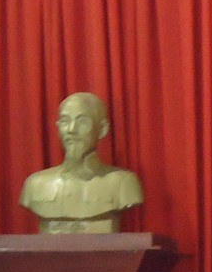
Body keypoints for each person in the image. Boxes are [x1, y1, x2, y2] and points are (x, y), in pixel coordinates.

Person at [19, 92, 143, 233]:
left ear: (102, 129)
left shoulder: (123, 183)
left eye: (82, 121)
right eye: (65, 121)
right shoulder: (35, 184)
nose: (71, 130)